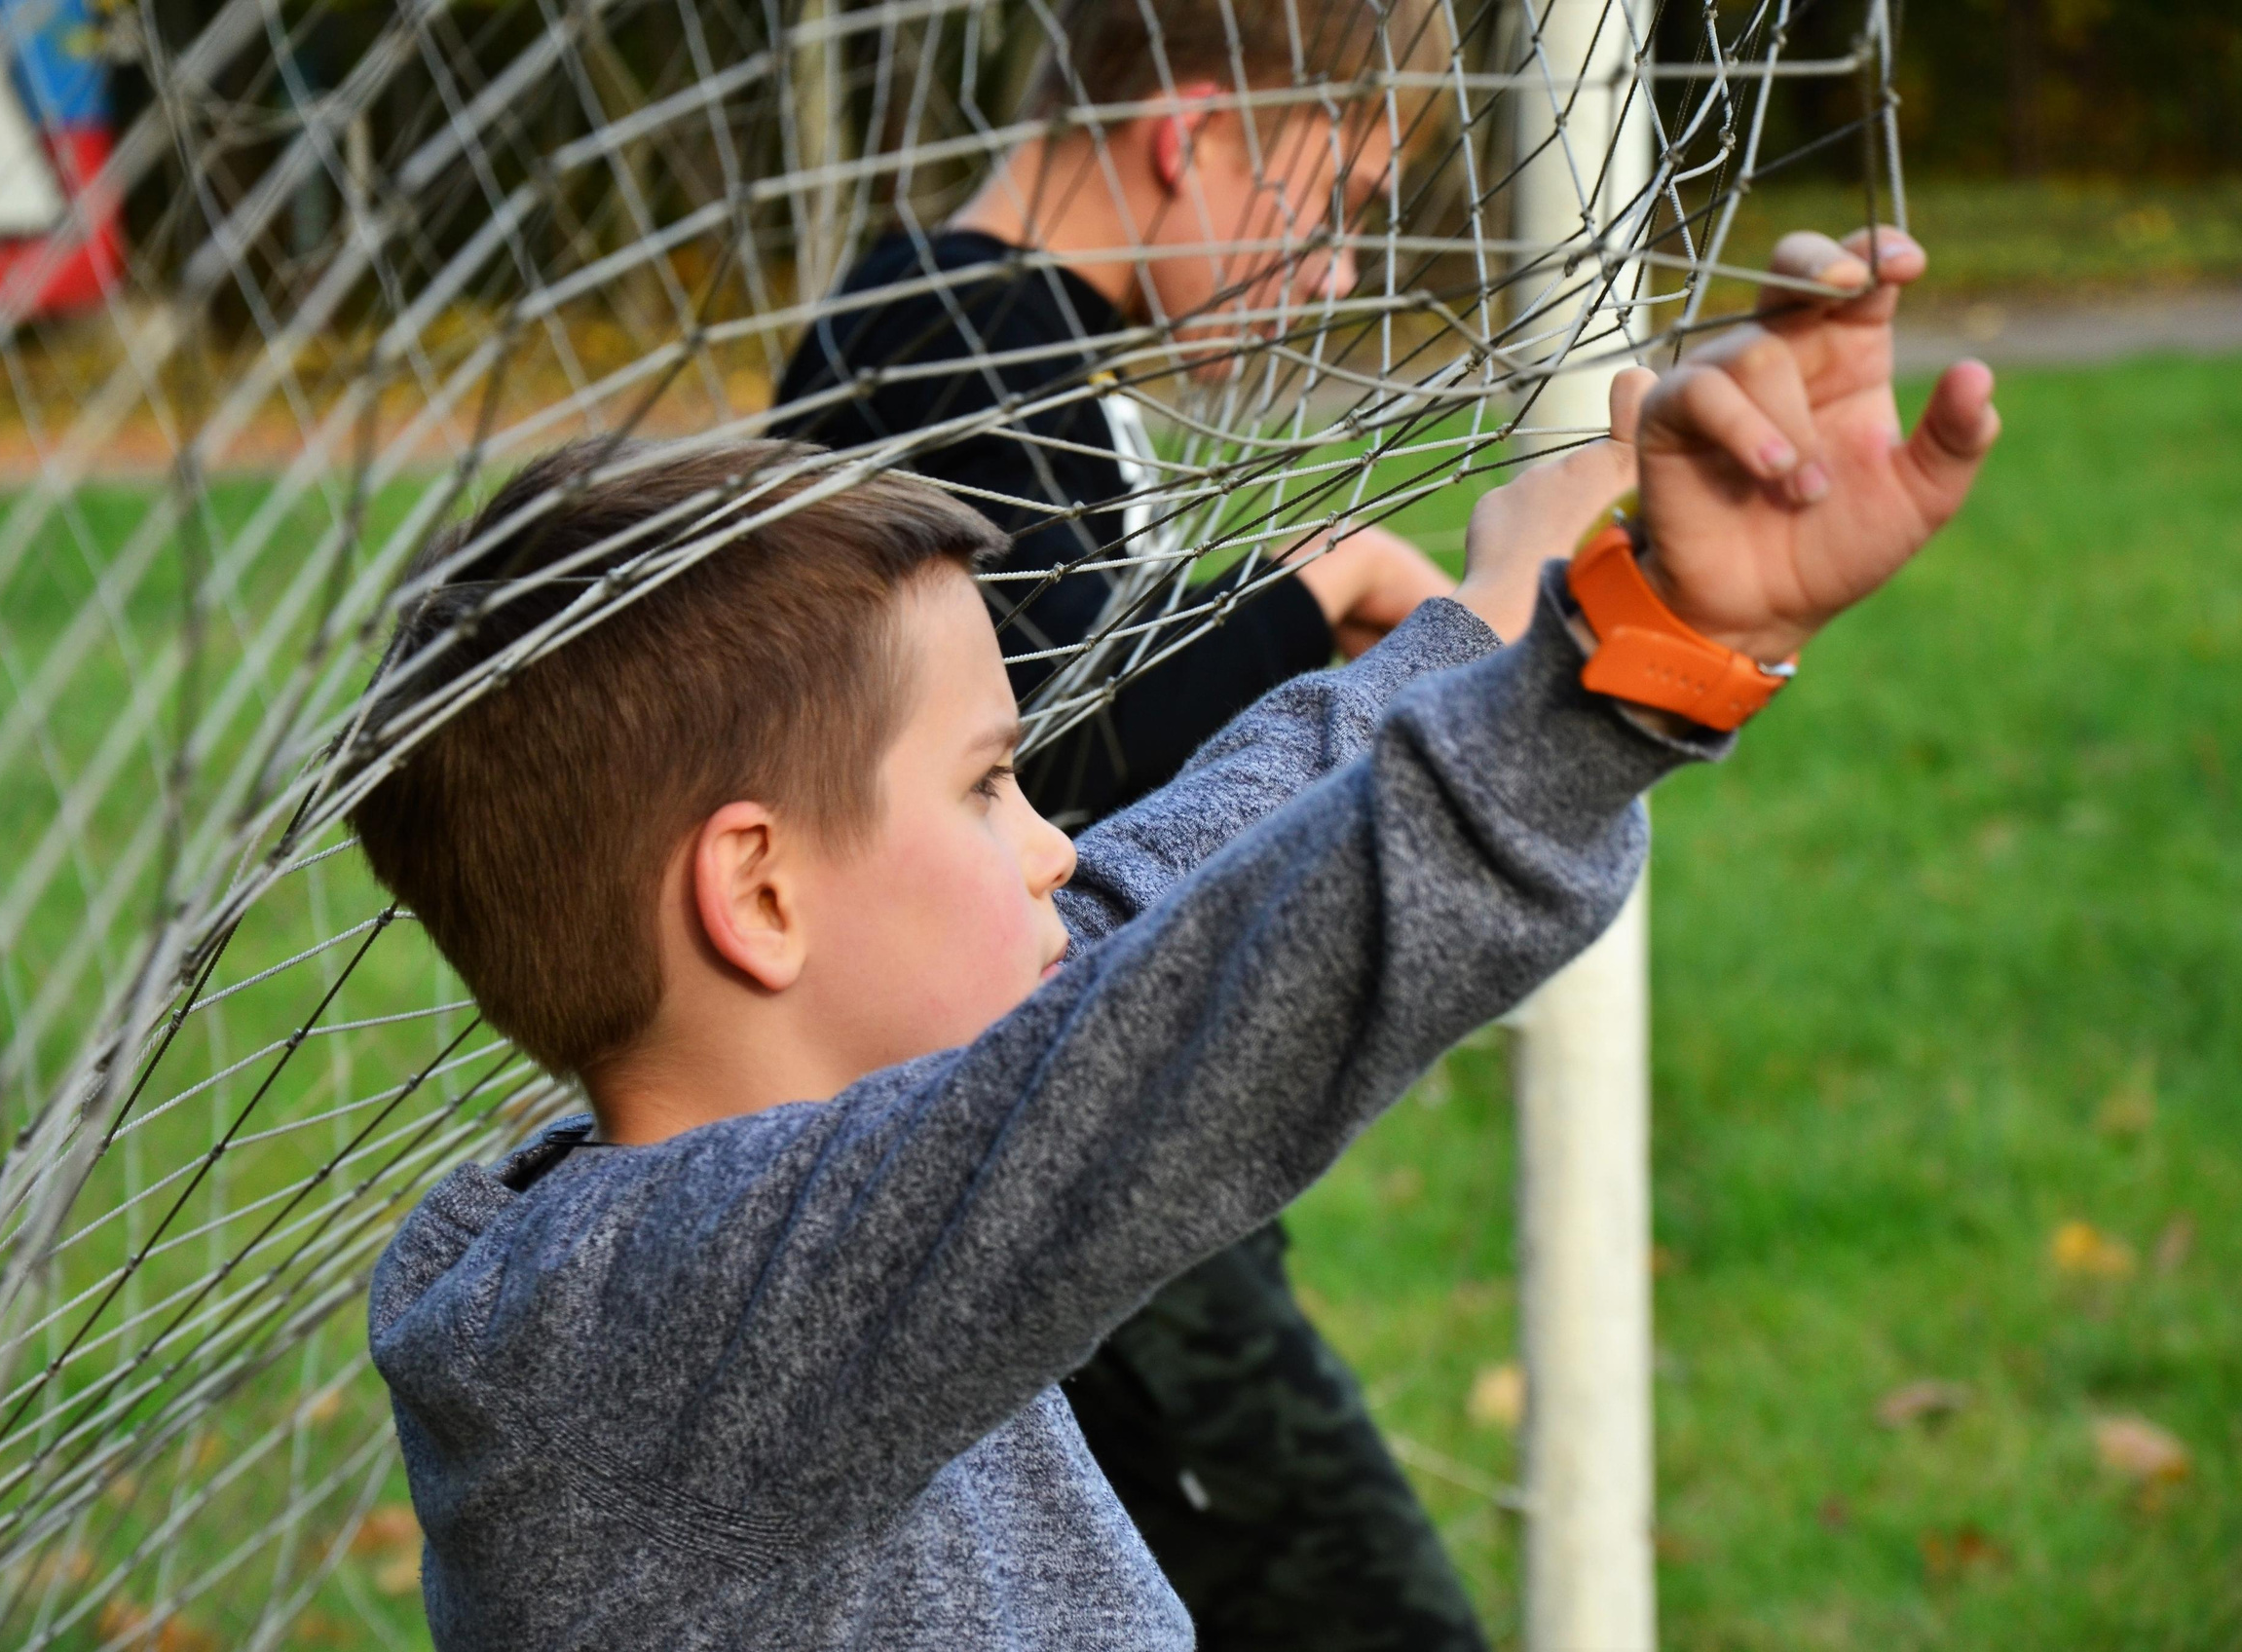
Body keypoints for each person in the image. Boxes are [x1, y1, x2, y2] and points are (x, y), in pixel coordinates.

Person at [358, 227, 1999, 1651]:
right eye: (991, 787)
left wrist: (1527, 626)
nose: (1051, 838)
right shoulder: (645, 1343)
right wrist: (1604, 693)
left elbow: (1152, 898)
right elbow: (1161, 1060)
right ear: (762, 896)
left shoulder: (736, 1237)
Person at [767, 2, 1500, 1640]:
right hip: (1010, 1173)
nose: (1336, 269)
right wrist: (1330, 576)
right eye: (1336, 206)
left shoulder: (1017, 341)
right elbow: (1048, 747)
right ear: (1186, 138)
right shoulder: (939, 343)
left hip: (1071, 1155)